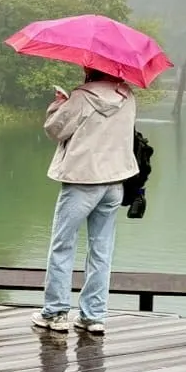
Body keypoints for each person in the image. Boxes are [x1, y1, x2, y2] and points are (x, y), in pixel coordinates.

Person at [35, 68, 139, 336]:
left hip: (83, 181)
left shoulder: (82, 97)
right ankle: (93, 317)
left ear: (90, 68)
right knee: (101, 250)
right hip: (114, 182)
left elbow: (55, 130)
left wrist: (58, 105)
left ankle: (56, 312)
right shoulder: (128, 96)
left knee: (62, 245)